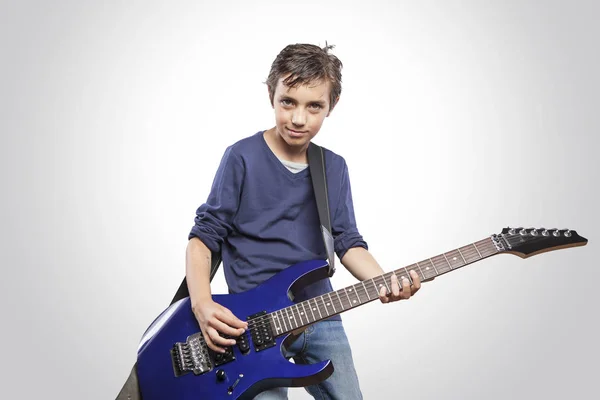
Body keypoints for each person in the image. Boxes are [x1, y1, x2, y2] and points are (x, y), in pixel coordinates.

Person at [185, 43, 422, 399]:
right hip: (253, 326)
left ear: (332, 106)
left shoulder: (333, 167)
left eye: (314, 106)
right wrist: (202, 304)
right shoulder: (241, 157)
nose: (299, 119)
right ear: (271, 95)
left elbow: (347, 241)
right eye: (288, 102)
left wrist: (383, 280)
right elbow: (204, 237)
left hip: (320, 315)